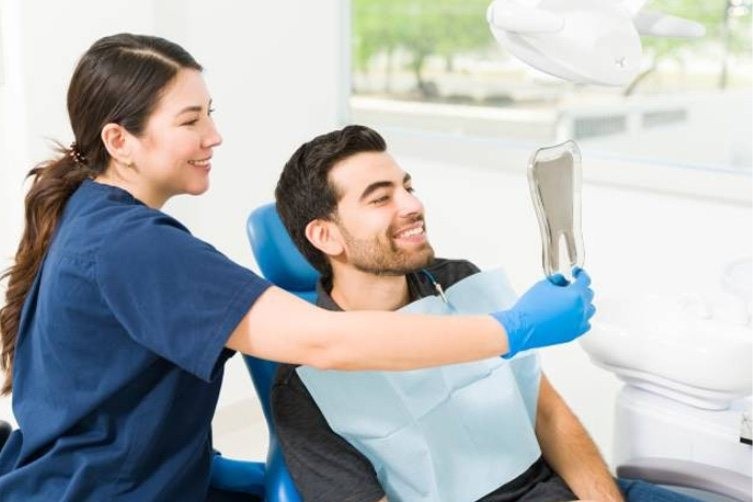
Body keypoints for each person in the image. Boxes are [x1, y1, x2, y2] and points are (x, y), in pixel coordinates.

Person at [0, 34, 595, 501]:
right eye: (190, 121)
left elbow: (95, 394)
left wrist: (202, 467)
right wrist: (514, 329)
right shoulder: (133, 245)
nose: (215, 135)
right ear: (119, 140)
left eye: (210, 113)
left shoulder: (88, 215)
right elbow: (325, 341)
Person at [271, 125, 701, 502]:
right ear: (326, 235)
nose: (411, 205)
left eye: (407, 186)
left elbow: (546, 412)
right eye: (381, 198)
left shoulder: (460, 282)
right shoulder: (306, 384)